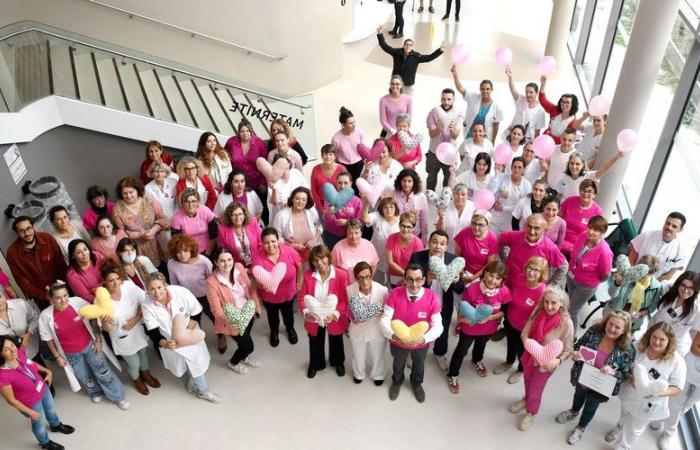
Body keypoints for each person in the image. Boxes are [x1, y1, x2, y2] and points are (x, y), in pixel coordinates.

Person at [38, 281, 128, 408]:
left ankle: (118, 397)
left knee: (103, 371)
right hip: (70, 354)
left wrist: (98, 340)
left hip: (90, 346)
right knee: (84, 376)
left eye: (65, 295)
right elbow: (48, 339)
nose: (63, 300)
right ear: (51, 299)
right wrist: (57, 357)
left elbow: (93, 320)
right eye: (58, 297)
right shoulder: (45, 316)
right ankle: (95, 392)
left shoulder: (78, 303)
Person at [555, 310, 636, 445]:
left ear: (624, 331)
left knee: (591, 406)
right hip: (583, 375)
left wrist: (613, 372)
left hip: (601, 386)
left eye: (617, 327)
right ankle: (574, 411)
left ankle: (581, 427)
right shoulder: (595, 331)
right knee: (578, 395)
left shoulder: (627, 349)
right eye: (610, 324)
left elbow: (625, 375)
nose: (612, 328)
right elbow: (579, 345)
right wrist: (576, 353)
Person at [141, 273, 221, 403]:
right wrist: (165, 343)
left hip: (190, 331)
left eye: (159, 287)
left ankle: (203, 391)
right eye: (152, 289)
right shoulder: (146, 305)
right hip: (169, 340)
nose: (156, 292)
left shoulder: (180, 292)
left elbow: (196, 312)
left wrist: (186, 332)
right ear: (147, 290)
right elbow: (153, 331)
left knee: (194, 362)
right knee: (183, 364)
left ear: (165, 285)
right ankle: (191, 377)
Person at [607, 322, 685, 449]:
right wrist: (629, 377)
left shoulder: (677, 361)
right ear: (649, 335)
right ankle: (619, 428)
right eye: (654, 337)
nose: (657, 342)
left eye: (662, 339)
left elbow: (677, 387)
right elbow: (624, 363)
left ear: (669, 341)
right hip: (630, 392)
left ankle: (623, 446)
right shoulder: (638, 346)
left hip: (651, 402)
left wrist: (658, 393)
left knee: (635, 428)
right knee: (625, 413)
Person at [509, 286, 574, 430]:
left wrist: (558, 360)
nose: (549, 306)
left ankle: (531, 412)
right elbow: (524, 333)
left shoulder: (566, 323)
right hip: (530, 356)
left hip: (547, 363)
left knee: (536, 389)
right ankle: (526, 400)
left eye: (554, 303)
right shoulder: (538, 313)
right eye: (546, 302)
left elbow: (569, 349)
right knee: (527, 380)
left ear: (561, 303)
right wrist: (529, 343)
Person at [380, 264, 443, 402]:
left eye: (418, 279)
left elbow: (438, 326)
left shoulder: (432, 297)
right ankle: (397, 382)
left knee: (419, 363)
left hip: (421, 343)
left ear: (424, 279)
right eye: (410, 279)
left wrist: (423, 339)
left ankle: (416, 383)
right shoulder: (394, 294)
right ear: (404, 279)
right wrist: (394, 336)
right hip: (398, 341)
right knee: (398, 363)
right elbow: (384, 320)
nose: (414, 284)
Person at [0, 335, 75, 450]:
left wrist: (46, 371)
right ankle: (45, 442)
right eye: (6, 349)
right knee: (38, 423)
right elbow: (11, 400)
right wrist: (30, 412)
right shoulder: (2, 376)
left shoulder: (19, 353)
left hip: (43, 389)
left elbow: (31, 363)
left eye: (12, 345)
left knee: (50, 408)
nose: (12, 349)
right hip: (30, 403)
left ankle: (55, 425)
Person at [98, 259, 160, 395]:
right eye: (110, 281)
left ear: (121, 278)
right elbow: (106, 329)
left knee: (144, 354)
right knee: (134, 363)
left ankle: (146, 374)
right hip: (122, 336)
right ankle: (136, 379)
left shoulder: (128, 286)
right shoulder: (101, 300)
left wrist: (137, 318)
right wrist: (104, 323)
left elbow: (143, 301)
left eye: (117, 279)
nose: (115, 284)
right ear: (104, 282)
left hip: (138, 329)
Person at [447, 261, 510, 389]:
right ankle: (452, 374)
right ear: (485, 273)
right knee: (461, 351)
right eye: (491, 275)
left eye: (498, 278)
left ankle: (476, 360)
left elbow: (504, 312)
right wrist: (461, 320)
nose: (493, 280)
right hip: (469, 328)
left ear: (502, 280)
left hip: (488, 328)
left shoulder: (504, 291)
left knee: (481, 346)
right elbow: (463, 308)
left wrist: (490, 317)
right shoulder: (472, 289)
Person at [409, 230, 465, 372]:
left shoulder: (453, 260)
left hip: (443, 305)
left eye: (442, 243)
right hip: (421, 305)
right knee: (418, 329)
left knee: (442, 331)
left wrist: (456, 281)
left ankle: (439, 354)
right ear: (429, 243)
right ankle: (414, 353)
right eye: (434, 242)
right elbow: (409, 283)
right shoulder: (417, 257)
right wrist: (426, 280)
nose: (437, 246)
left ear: (447, 246)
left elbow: (460, 289)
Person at [206, 248, 261, 374]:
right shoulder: (211, 283)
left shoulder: (239, 268)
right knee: (249, 346)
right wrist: (235, 320)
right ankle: (233, 362)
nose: (227, 264)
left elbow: (250, 290)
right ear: (216, 262)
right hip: (232, 321)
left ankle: (244, 356)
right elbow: (216, 311)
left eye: (229, 259)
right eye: (222, 261)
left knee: (245, 340)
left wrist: (256, 306)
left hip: (248, 312)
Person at [495, 257, 549, 384]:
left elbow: (540, 315)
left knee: (522, 351)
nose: (531, 272)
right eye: (530, 268)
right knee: (510, 344)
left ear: (542, 273)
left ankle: (520, 369)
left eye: (536, 270)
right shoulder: (519, 278)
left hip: (525, 329)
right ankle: (509, 361)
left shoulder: (542, 291)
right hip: (510, 320)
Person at [299, 245, 349, 378]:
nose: (319, 263)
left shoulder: (341, 274)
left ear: (329, 257)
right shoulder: (308, 275)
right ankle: (316, 364)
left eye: (322, 259)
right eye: (315, 260)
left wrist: (335, 315)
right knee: (315, 340)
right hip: (314, 315)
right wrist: (306, 313)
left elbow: (344, 300)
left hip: (333, 315)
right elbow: (302, 298)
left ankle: (338, 362)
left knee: (336, 340)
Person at [251, 228, 302, 347]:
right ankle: (274, 332)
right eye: (266, 242)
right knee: (272, 316)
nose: (270, 245)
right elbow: (256, 278)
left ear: (278, 241)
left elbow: (299, 266)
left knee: (288, 314)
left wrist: (299, 281)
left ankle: (290, 329)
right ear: (262, 243)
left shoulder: (289, 251)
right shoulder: (257, 257)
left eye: (273, 241)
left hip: (288, 293)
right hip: (269, 297)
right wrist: (262, 285)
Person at [166, 234, 217, 349]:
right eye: (178, 252)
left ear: (191, 249)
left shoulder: (203, 261)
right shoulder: (172, 264)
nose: (182, 255)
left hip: (206, 296)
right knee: (192, 323)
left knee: (215, 318)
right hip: (188, 299)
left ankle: (221, 336)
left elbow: (213, 281)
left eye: (185, 250)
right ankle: (198, 343)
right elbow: (174, 285)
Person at [6, 216, 68, 309]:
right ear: (17, 233)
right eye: (22, 231)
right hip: (42, 299)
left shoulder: (48, 239)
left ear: (33, 227)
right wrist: (44, 296)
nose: (27, 233)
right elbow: (22, 282)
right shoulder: (12, 253)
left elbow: (61, 264)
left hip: (62, 289)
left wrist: (60, 287)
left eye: (28, 228)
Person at [566, 216, 614, 330]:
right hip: (572, 275)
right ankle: (564, 327)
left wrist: (594, 281)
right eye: (590, 227)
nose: (591, 231)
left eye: (596, 230)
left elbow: (605, 275)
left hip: (586, 286)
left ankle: (571, 337)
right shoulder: (583, 235)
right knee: (568, 302)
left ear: (602, 233)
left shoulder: (605, 252)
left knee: (572, 310)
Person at [347, 262, 389, 385]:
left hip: (377, 328)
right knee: (358, 354)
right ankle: (358, 373)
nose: (365, 281)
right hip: (358, 328)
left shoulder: (383, 290)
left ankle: (378, 374)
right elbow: (347, 309)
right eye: (360, 278)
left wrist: (383, 312)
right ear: (356, 278)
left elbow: (389, 309)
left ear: (372, 275)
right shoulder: (350, 290)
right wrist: (351, 317)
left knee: (378, 354)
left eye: (368, 277)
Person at [499, 214, 568, 288]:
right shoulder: (515, 236)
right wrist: (504, 258)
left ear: (543, 230)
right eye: (529, 226)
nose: (532, 231)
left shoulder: (550, 247)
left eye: (537, 228)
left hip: (530, 289)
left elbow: (564, 267)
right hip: (509, 283)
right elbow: (499, 240)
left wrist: (550, 285)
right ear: (525, 226)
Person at [657, 331, 700, 449]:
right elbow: (695, 347)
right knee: (675, 401)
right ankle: (669, 432)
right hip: (690, 367)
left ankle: (663, 417)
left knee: (689, 404)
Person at [113, 177, 167, 268]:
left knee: (165, 268)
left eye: (131, 192)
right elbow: (121, 233)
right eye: (125, 193)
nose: (128, 196)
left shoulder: (148, 199)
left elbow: (162, 218)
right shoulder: (117, 209)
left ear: (137, 190)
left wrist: (153, 230)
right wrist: (138, 235)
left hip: (158, 241)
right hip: (138, 247)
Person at [224, 119, 269, 223]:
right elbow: (224, 158)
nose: (245, 134)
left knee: (261, 208)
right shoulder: (231, 142)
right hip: (239, 182)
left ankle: (262, 230)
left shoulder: (259, 142)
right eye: (242, 131)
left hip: (257, 182)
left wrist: (263, 181)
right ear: (238, 132)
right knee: (241, 207)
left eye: (248, 131)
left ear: (251, 131)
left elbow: (266, 161)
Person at [376, 27, 445, 94]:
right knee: (393, 102)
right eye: (406, 44)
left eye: (410, 45)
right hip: (396, 83)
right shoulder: (397, 53)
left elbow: (429, 57)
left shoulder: (416, 56)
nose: (408, 46)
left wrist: (440, 50)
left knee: (406, 103)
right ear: (403, 45)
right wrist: (380, 34)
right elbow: (385, 46)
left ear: (412, 47)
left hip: (408, 85)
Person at [604, 255, 662, 333]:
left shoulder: (656, 287)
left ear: (651, 273)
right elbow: (612, 294)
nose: (639, 275)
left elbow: (652, 307)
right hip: (614, 314)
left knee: (621, 343)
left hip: (632, 323)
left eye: (643, 274)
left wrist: (640, 313)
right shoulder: (627, 274)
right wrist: (616, 284)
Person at [648, 272, 700, 356]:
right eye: (683, 285)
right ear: (678, 284)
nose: (685, 291)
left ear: (696, 290)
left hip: (671, 346)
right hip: (652, 335)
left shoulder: (696, 310)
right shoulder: (668, 291)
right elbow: (655, 283)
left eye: (691, 288)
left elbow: (695, 333)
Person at [629, 212, 687, 282]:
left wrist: (650, 285)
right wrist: (633, 276)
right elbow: (632, 257)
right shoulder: (647, 235)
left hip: (653, 285)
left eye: (674, 226)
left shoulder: (680, 250)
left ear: (680, 230)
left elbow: (669, 274)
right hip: (633, 277)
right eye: (668, 223)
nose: (669, 227)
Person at [452, 66, 504, 144]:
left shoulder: (497, 107)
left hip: (485, 137)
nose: (485, 91)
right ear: (480, 89)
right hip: (470, 134)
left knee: (482, 155)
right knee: (467, 152)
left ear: (492, 90)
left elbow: (496, 125)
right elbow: (460, 88)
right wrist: (455, 75)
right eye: (482, 89)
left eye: (487, 89)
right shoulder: (473, 97)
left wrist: (493, 141)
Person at [425, 88, 462, 191]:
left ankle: (446, 200)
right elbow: (432, 134)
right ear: (440, 99)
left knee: (449, 177)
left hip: (450, 153)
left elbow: (455, 136)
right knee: (431, 177)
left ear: (453, 99)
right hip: (434, 151)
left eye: (449, 99)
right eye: (444, 99)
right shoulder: (434, 112)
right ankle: (429, 196)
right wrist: (438, 129)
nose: (446, 102)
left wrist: (451, 129)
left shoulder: (458, 113)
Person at [273, 187, 322, 263]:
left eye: (303, 200)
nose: (300, 202)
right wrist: (293, 245)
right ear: (292, 199)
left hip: (313, 252)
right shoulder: (281, 216)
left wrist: (314, 240)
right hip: (291, 254)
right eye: (297, 199)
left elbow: (320, 226)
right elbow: (276, 238)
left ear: (307, 201)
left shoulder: (312, 211)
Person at [554, 150, 626, 200]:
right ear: (568, 164)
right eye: (572, 163)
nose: (574, 166)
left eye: (577, 164)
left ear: (583, 165)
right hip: (565, 207)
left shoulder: (588, 176)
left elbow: (604, 169)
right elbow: (559, 195)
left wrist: (617, 157)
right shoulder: (564, 177)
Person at [0, 288, 43, 371]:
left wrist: (29, 334)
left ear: (4, 295)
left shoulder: (20, 304)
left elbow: (35, 318)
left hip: (32, 351)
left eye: (0, 296)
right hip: (10, 363)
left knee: (43, 379)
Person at [360, 196, 400, 285]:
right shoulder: (377, 216)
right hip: (377, 257)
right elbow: (364, 219)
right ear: (381, 209)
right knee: (377, 283)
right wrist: (366, 204)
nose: (389, 210)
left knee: (393, 285)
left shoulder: (400, 220)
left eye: (391, 207)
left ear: (396, 208)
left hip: (394, 260)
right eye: (385, 207)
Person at [488, 157, 533, 234]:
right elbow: (491, 192)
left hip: (511, 222)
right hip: (495, 218)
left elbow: (522, 207)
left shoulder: (527, 185)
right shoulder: (502, 177)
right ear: (511, 167)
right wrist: (493, 202)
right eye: (514, 167)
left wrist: (504, 208)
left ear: (523, 169)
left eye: (519, 167)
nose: (516, 169)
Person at [559, 180, 604, 254]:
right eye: (583, 190)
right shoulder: (570, 200)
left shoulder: (597, 211)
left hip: (577, 248)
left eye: (589, 191)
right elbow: (557, 218)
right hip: (559, 239)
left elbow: (596, 235)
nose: (586, 193)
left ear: (594, 195)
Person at [454, 210, 499, 284]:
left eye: (480, 225)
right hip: (463, 273)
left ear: (487, 226)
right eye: (473, 223)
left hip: (481, 276)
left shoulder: (492, 239)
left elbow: (490, 265)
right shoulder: (464, 233)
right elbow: (457, 256)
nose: (476, 227)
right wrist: (461, 272)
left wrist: (473, 278)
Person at [321, 172, 362, 250]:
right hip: (331, 235)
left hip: (350, 235)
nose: (342, 186)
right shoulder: (330, 198)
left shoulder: (357, 201)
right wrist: (329, 213)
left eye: (345, 183)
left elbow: (359, 222)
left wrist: (347, 223)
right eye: (340, 183)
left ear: (351, 183)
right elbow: (325, 219)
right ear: (336, 184)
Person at [171, 189, 217, 257]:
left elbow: (214, 235)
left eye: (193, 201)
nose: (190, 205)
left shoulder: (205, 211)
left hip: (208, 249)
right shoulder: (177, 218)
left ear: (198, 202)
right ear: (182, 203)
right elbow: (176, 242)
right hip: (188, 253)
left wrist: (208, 252)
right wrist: (187, 255)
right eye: (187, 202)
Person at [504, 68, 547, 140]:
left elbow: (537, 130)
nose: (528, 94)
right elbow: (512, 89)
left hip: (527, 140)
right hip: (512, 135)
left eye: (531, 92)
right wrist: (510, 77)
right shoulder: (521, 100)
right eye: (527, 92)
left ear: (536, 93)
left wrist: (534, 144)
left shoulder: (540, 110)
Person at [331, 220, 379, 284]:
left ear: (361, 233)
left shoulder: (369, 245)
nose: (354, 237)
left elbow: (374, 265)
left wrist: (368, 280)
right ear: (346, 234)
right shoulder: (337, 248)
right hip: (346, 285)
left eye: (356, 233)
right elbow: (332, 269)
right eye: (350, 233)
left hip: (366, 283)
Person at [217, 202, 263, 268]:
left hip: (257, 263)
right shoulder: (222, 229)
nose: (238, 217)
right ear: (229, 216)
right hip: (236, 265)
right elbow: (224, 251)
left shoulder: (253, 222)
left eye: (240, 214)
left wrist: (259, 263)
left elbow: (261, 243)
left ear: (244, 214)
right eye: (234, 215)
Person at [386, 212, 424, 287]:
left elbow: (418, 266)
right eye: (403, 226)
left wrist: (407, 277)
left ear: (413, 228)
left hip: (411, 279)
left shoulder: (418, 243)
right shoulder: (391, 238)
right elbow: (390, 262)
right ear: (399, 225)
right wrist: (405, 274)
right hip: (394, 276)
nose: (405, 229)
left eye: (409, 227)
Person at [331, 107, 365, 191]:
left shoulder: (359, 132)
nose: (354, 125)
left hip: (359, 164)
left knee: (359, 188)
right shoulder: (336, 138)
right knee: (347, 190)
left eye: (354, 122)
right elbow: (334, 157)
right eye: (350, 123)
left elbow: (362, 148)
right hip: (344, 166)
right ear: (343, 124)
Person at [267, 156, 308, 223]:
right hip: (281, 216)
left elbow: (307, 191)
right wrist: (274, 190)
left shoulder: (296, 173)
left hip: (298, 213)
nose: (282, 167)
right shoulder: (273, 181)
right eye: (279, 165)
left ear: (289, 163)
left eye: (284, 163)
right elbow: (274, 202)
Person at [392, 169, 428, 244]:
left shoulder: (420, 197)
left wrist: (424, 239)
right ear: (400, 181)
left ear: (414, 182)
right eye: (404, 180)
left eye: (409, 181)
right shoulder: (394, 194)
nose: (406, 184)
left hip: (415, 234)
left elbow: (424, 220)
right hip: (398, 234)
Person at [538, 76, 578, 144]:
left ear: (573, 105)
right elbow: (542, 100)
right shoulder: (555, 110)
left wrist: (549, 135)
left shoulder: (573, 122)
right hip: (545, 142)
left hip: (557, 148)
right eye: (562, 101)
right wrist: (543, 84)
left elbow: (564, 141)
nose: (564, 104)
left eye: (567, 102)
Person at [435, 184, 474, 253]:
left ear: (467, 195)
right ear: (453, 195)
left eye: (463, 194)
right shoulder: (446, 206)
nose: (460, 197)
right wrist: (441, 218)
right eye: (457, 194)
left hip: (467, 248)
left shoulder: (473, 207)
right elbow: (439, 230)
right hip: (448, 248)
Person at [310, 144, 346, 214]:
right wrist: (321, 209)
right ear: (322, 156)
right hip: (321, 205)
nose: (328, 157)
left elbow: (346, 188)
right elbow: (314, 191)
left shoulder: (342, 169)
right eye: (325, 154)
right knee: (325, 225)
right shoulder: (315, 169)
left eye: (331, 154)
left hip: (338, 205)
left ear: (335, 156)